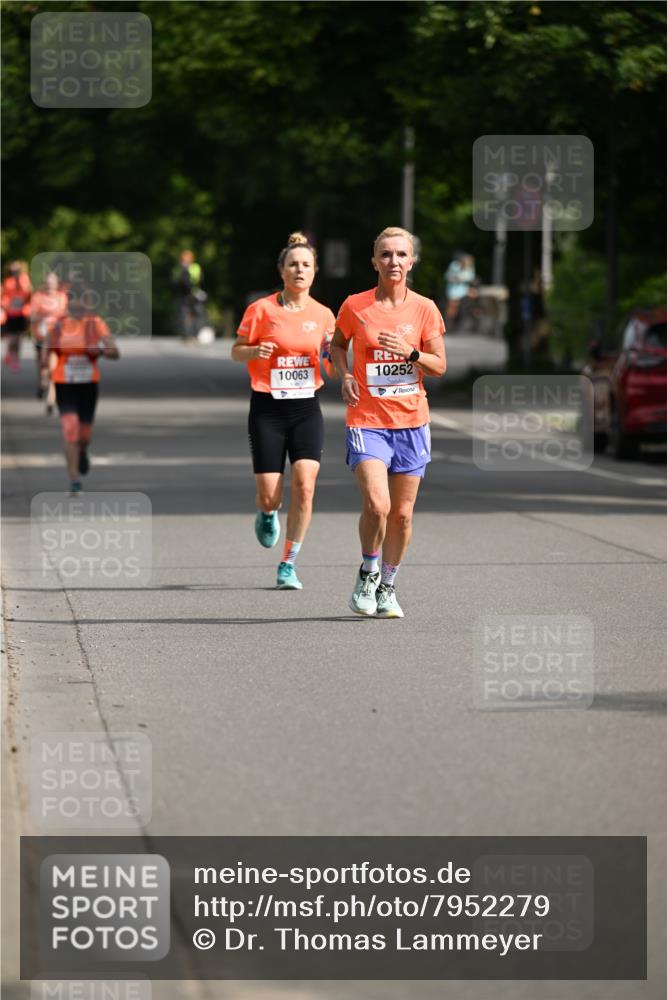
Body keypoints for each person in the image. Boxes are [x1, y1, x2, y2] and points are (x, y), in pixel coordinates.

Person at [330, 226, 446, 618]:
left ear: (411, 262)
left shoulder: (425, 308)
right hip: (366, 419)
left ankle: (389, 586)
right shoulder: (355, 306)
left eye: (401, 254)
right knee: (378, 506)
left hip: (412, 422)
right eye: (386, 255)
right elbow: (336, 344)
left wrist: (412, 353)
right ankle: (368, 571)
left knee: (402, 514)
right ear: (374, 262)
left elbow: (440, 365)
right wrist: (344, 374)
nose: (393, 261)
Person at [231, 232, 335, 590]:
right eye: (293, 264)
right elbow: (236, 350)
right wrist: (254, 352)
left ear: (314, 271)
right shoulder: (261, 310)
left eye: (306, 264)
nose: (299, 269)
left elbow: (333, 365)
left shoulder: (323, 315)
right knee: (270, 493)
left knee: (305, 485)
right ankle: (267, 511)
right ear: (282, 270)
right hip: (267, 408)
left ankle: (288, 563)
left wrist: (332, 358)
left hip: (306, 408)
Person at [46, 285, 120, 494]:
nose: (78, 306)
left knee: (84, 435)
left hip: (88, 384)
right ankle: (74, 479)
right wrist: (47, 373)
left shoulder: (95, 323)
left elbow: (115, 352)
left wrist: (101, 350)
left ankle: (83, 450)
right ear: (68, 302)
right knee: (70, 430)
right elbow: (50, 352)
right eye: (74, 301)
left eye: (82, 301)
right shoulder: (58, 325)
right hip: (64, 383)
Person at [30, 271, 68, 405]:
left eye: (52, 281)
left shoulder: (62, 297)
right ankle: (42, 382)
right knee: (42, 363)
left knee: (54, 364)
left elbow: (67, 314)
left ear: (57, 283)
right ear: (44, 283)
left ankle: (52, 396)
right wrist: (43, 317)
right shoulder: (38, 297)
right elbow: (32, 316)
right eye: (48, 281)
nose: (50, 284)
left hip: (57, 336)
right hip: (40, 334)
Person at [1, 261, 32, 372]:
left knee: (19, 339)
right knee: (12, 339)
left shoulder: (25, 280)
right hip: (10, 314)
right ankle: (10, 354)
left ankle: (15, 361)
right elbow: (4, 296)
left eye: (17, 270)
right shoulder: (8, 281)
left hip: (22, 314)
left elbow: (29, 295)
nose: (15, 272)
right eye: (13, 271)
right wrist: (5, 306)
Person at [172, 249, 206, 339]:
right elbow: (175, 282)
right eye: (184, 258)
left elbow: (199, 280)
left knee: (197, 314)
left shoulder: (195, 267)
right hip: (183, 295)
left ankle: (196, 334)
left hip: (194, 294)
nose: (186, 260)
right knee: (183, 315)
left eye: (188, 258)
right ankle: (186, 335)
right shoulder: (179, 268)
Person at [444, 252, 476, 330]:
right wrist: (456, 278)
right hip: (454, 290)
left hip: (464, 290)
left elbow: (471, 278)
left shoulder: (469, 268)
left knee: (474, 296)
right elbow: (448, 276)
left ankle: (471, 318)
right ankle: (449, 323)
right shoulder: (454, 265)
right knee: (453, 305)